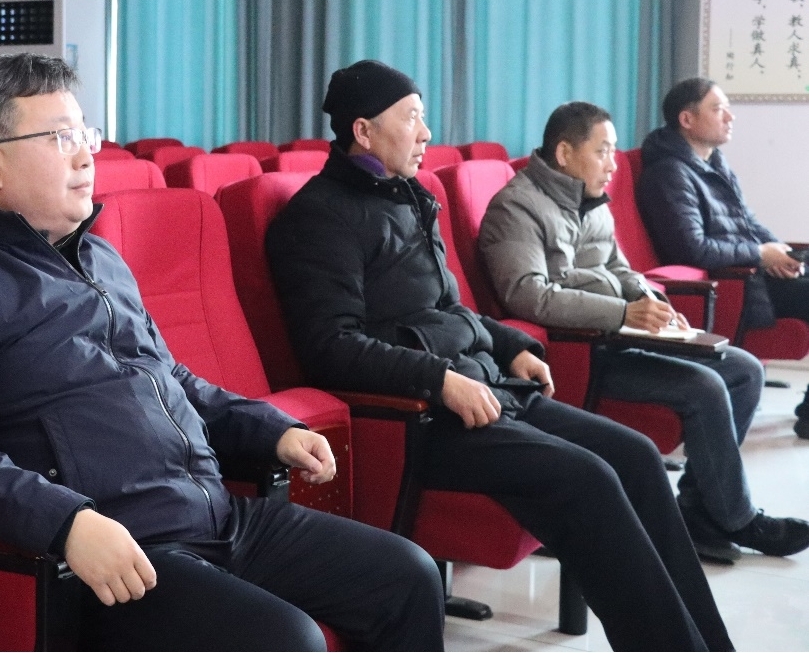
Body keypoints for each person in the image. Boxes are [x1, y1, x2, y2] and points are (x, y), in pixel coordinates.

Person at [0, 53, 444, 651]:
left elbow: (172, 381)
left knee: (407, 576)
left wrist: (269, 429)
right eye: (60, 138)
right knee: (287, 640)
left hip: (212, 512)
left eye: (85, 135)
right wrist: (68, 523)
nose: (85, 156)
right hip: (118, 547)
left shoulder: (100, 257)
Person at [266, 60, 733, 652]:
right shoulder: (318, 218)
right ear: (363, 131)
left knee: (635, 456)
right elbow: (330, 349)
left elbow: (447, 308)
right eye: (411, 118)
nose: (426, 132)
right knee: (588, 478)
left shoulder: (409, 196)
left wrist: (513, 346)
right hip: (422, 418)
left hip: (484, 387)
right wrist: (439, 380)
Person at [478, 100, 809, 565]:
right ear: (565, 153)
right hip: (581, 354)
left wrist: (652, 301)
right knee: (706, 387)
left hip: (621, 338)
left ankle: (701, 509)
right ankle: (738, 519)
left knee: (744, 369)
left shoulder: (591, 201)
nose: (613, 164)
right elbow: (527, 296)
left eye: (614, 152)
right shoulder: (517, 206)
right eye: (602, 152)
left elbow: (620, 268)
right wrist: (623, 312)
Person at [636, 77, 809, 439]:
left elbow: (747, 222)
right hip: (735, 285)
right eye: (718, 109)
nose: (730, 117)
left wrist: (782, 251)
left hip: (751, 270)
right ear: (687, 119)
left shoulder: (714, 162)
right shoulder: (669, 172)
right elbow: (692, 248)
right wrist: (760, 254)